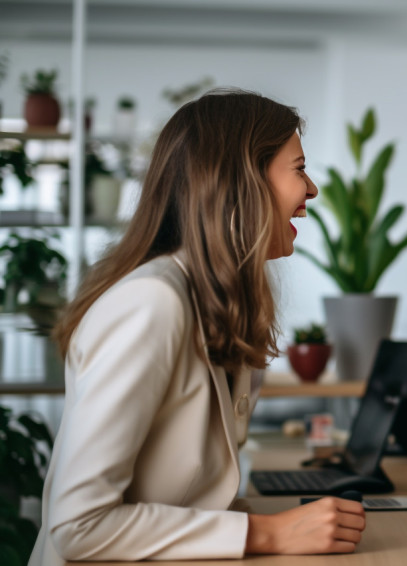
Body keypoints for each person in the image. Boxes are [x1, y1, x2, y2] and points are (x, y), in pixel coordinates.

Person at [29, 89, 366, 565]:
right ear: (243, 180)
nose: (311, 189)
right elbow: (78, 527)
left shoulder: (216, 303)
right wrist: (268, 534)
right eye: (298, 169)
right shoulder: (152, 304)